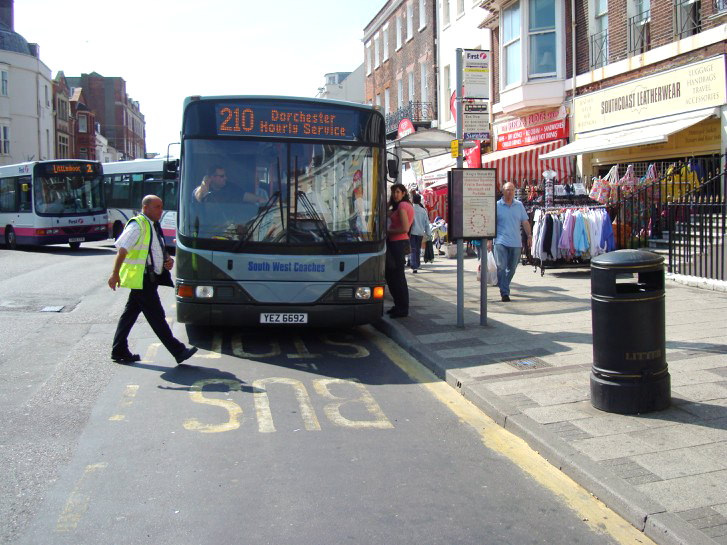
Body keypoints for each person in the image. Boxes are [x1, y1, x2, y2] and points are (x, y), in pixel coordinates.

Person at [108, 195, 198, 365]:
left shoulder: (153, 226)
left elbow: (154, 249)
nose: (160, 210)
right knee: (157, 316)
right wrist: (115, 274)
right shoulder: (138, 225)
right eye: (157, 207)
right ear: (146, 207)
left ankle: (119, 349)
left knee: (129, 315)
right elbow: (122, 249)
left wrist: (166, 260)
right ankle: (178, 351)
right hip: (143, 279)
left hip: (149, 278)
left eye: (161, 206)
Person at [488, 182, 532, 302]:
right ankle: (505, 292)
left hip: (516, 242)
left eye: (512, 190)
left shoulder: (519, 205)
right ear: (503, 191)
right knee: (501, 267)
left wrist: (529, 235)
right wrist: (488, 240)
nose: (510, 192)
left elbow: (525, 222)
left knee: (512, 268)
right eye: (507, 189)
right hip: (500, 241)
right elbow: (491, 223)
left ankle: (503, 284)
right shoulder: (497, 205)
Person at [385, 183, 414, 318]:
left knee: (398, 277)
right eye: (393, 192)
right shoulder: (402, 206)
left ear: (403, 193)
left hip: (398, 243)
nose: (395, 195)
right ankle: (398, 305)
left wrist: (388, 231)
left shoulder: (403, 206)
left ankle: (402, 308)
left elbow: (405, 228)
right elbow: (384, 211)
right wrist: (390, 201)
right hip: (397, 243)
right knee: (392, 276)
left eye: (397, 192)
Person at [193, 165, 266, 205]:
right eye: (222, 176)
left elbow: (246, 196)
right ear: (212, 177)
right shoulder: (199, 191)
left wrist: (261, 200)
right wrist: (205, 187)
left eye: (225, 175)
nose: (225, 178)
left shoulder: (231, 188)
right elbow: (198, 203)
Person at [409, 194, 431, 273]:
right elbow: (427, 223)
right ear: (419, 200)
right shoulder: (423, 210)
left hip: (412, 232)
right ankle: (417, 264)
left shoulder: (411, 209)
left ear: (413, 200)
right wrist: (429, 233)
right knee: (417, 249)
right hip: (420, 233)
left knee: (413, 249)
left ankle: (414, 266)